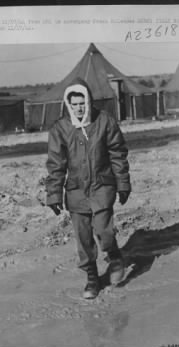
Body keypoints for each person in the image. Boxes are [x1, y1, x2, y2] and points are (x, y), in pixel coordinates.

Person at [45, 78, 131, 299]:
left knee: (104, 230)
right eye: (74, 104)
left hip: (102, 185)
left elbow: (118, 154)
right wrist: (54, 193)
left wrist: (122, 183)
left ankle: (114, 256)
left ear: (88, 101)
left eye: (82, 102)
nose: (79, 107)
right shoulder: (60, 128)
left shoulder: (104, 121)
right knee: (83, 238)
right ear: (68, 104)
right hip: (76, 191)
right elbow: (56, 164)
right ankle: (92, 278)